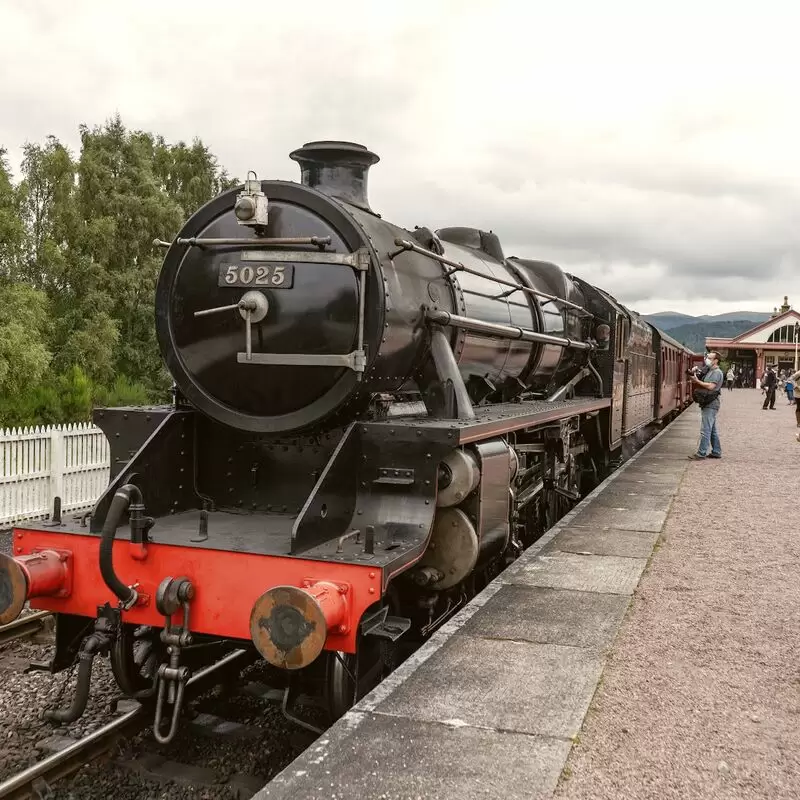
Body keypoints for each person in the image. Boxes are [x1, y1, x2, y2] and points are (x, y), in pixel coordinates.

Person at [688, 351, 724, 460]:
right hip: (708, 402)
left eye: (709, 358)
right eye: (707, 357)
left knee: (705, 430)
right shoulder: (709, 370)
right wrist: (693, 373)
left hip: (711, 403)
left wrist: (697, 381)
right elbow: (699, 378)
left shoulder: (717, 372)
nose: (707, 359)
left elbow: (711, 386)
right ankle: (716, 451)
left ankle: (701, 453)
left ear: (716, 360)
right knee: (712, 429)